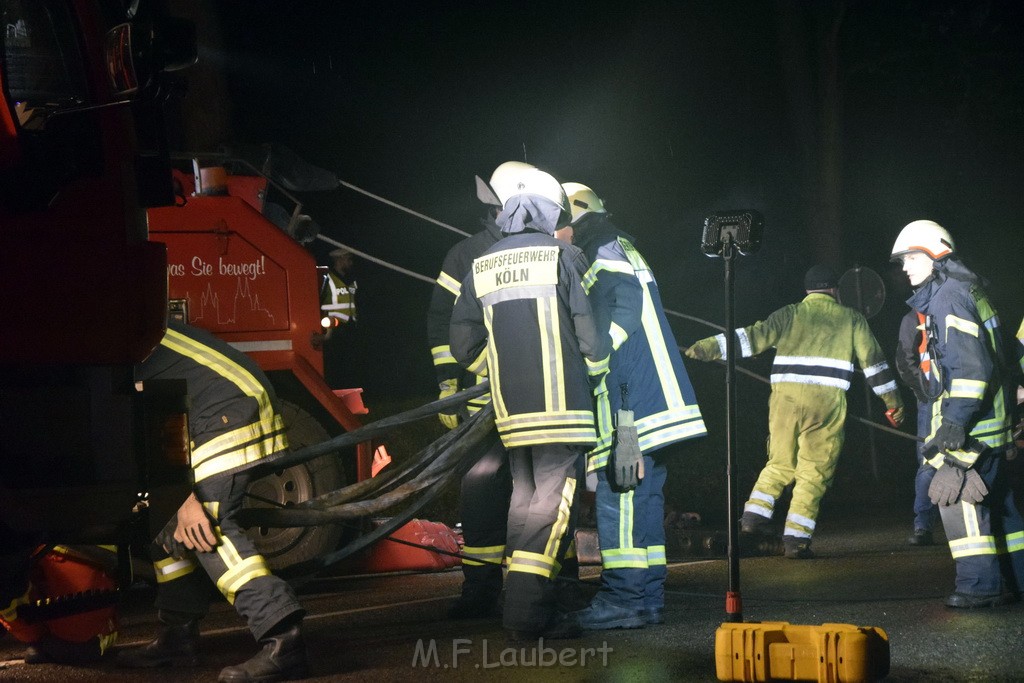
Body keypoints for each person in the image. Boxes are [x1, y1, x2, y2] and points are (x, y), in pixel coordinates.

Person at [450, 168, 610, 641]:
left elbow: (461, 344)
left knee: (524, 505)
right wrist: (598, 376)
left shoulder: (481, 264)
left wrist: (497, 367)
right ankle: (525, 615)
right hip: (564, 412)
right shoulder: (567, 256)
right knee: (553, 512)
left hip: (512, 416)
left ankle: (517, 608)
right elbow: (593, 340)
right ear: (546, 210)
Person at [117, 321, 308, 682]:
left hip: (228, 405)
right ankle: (178, 634)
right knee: (163, 518)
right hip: (217, 402)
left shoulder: (108, 342)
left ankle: (285, 638)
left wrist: (186, 501)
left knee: (207, 521)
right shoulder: (114, 324)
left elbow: (158, 420)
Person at [554, 182, 707, 630]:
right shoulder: (617, 246)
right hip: (650, 400)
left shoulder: (600, 252)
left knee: (617, 496)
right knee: (642, 499)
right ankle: (647, 598)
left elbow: (620, 309)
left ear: (573, 220)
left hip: (629, 404)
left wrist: (594, 360)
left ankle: (622, 599)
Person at [686, 264, 905, 559]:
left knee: (779, 462)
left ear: (807, 291)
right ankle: (796, 541)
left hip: (784, 403)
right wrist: (894, 405)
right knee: (813, 472)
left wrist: (705, 348)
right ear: (835, 290)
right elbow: (874, 365)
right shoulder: (852, 318)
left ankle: (752, 518)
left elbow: (750, 338)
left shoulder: (788, 314)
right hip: (825, 405)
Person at [891, 219, 1024, 607]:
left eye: (911, 258)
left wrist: (954, 424)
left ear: (935, 254)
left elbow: (970, 369)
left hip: (973, 428)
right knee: (1002, 507)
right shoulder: (969, 290)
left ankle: (978, 589)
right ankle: (1017, 581)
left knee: (959, 500)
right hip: (992, 424)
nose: (905, 267)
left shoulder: (949, 297)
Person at [424, 161, 533, 619]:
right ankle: (482, 590)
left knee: (534, 494)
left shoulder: (537, 253)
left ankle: (544, 587)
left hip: (529, 400)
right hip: (485, 403)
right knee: (485, 493)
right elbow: (440, 321)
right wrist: (449, 384)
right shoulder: (463, 255)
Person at [894, 309, 939, 545]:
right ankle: (923, 526)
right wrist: (924, 392)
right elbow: (904, 360)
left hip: (961, 397)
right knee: (928, 462)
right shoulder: (914, 318)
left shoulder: (953, 308)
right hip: (930, 402)